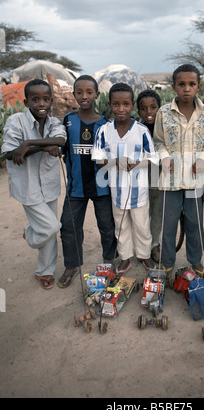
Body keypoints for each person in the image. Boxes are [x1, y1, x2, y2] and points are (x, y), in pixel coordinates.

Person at [1, 79, 66, 289]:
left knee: (47, 228)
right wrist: (43, 147)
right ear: (26, 101)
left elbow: (60, 141)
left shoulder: (54, 122)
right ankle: (31, 233)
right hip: (27, 186)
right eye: (35, 99)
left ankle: (44, 271)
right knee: (51, 227)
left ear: (51, 101)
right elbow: (10, 154)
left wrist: (28, 144)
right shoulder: (15, 121)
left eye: (46, 99)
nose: (41, 104)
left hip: (49, 184)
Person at [153, 64, 204, 284]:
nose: (186, 89)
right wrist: (164, 156)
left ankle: (196, 262)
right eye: (181, 84)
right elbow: (158, 141)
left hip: (193, 181)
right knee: (168, 225)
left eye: (191, 84)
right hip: (170, 181)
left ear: (198, 86)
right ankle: (167, 264)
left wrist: (203, 160)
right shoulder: (164, 112)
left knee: (194, 223)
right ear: (173, 87)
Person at [92, 83, 159, 275]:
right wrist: (116, 162)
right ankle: (125, 257)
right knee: (121, 227)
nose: (121, 109)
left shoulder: (141, 131)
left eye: (126, 104)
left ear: (132, 105)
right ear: (109, 104)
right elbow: (98, 161)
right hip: (117, 190)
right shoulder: (104, 131)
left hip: (140, 192)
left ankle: (144, 256)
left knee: (142, 226)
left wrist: (137, 164)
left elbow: (153, 159)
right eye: (116, 104)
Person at [58, 75, 117, 288]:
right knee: (69, 227)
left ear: (96, 95)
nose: (84, 96)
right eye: (79, 92)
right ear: (74, 95)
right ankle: (72, 265)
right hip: (76, 188)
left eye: (89, 92)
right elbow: (62, 149)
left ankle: (110, 261)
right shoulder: (68, 121)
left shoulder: (106, 124)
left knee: (107, 227)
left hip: (102, 187)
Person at [137, 89, 162, 263]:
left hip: (159, 177)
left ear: (159, 109)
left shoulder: (164, 130)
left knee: (157, 212)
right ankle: (142, 247)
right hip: (141, 177)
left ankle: (154, 244)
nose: (149, 112)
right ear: (138, 111)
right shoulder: (135, 129)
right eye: (144, 108)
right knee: (141, 213)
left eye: (153, 107)